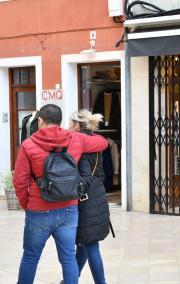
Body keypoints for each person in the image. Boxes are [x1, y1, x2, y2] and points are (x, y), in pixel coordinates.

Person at [13, 104, 108, 284]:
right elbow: (102, 142)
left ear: (40, 120)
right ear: (60, 121)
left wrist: (27, 204)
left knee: (30, 258)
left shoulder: (28, 144)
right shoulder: (76, 139)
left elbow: (20, 181)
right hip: (68, 209)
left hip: (38, 210)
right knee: (68, 258)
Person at [69, 110, 111, 284]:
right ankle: (71, 279)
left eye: (71, 124)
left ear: (78, 126)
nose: (68, 127)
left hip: (88, 201)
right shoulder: (94, 143)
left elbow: (85, 177)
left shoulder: (83, 147)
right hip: (97, 196)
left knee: (90, 245)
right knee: (85, 244)